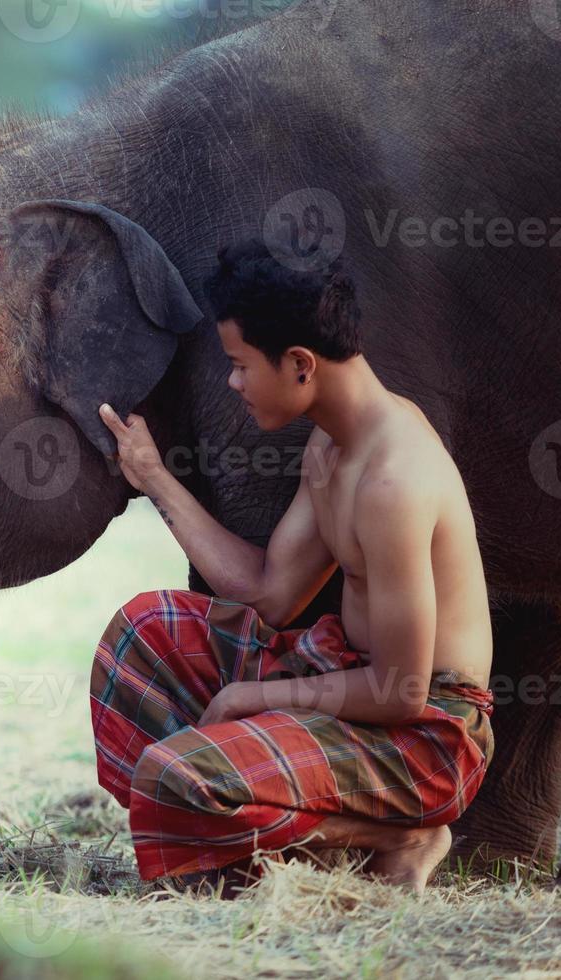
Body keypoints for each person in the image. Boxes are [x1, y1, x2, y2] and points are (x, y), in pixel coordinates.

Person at [91, 238, 494, 895]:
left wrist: (252, 698)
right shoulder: (333, 445)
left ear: (301, 364)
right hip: (346, 684)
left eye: (240, 364)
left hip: (422, 742)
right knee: (142, 632)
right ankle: (263, 834)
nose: (233, 382)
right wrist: (154, 477)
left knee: (175, 778)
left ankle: (399, 834)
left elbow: (402, 693)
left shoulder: (394, 479)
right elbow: (271, 594)